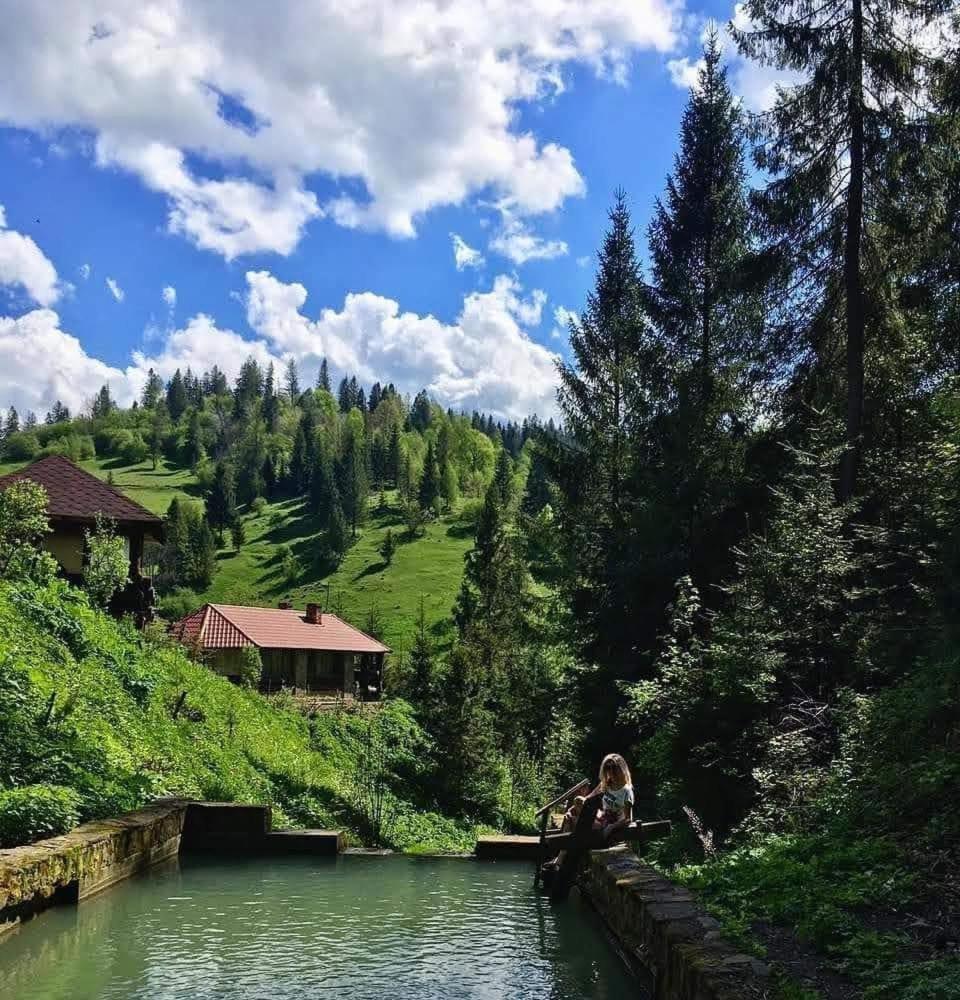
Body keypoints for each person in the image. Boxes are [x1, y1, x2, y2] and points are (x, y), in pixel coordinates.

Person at [544, 753, 634, 872]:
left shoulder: (626, 791)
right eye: (607, 767)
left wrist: (611, 827)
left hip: (611, 823)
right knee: (577, 802)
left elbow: (628, 819)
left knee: (573, 823)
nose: (610, 771)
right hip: (601, 817)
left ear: (621, 768)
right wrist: (572, 810)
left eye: (614, 767)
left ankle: (559, 860)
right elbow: (587, 801)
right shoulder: (606, 784)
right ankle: (560, 859)